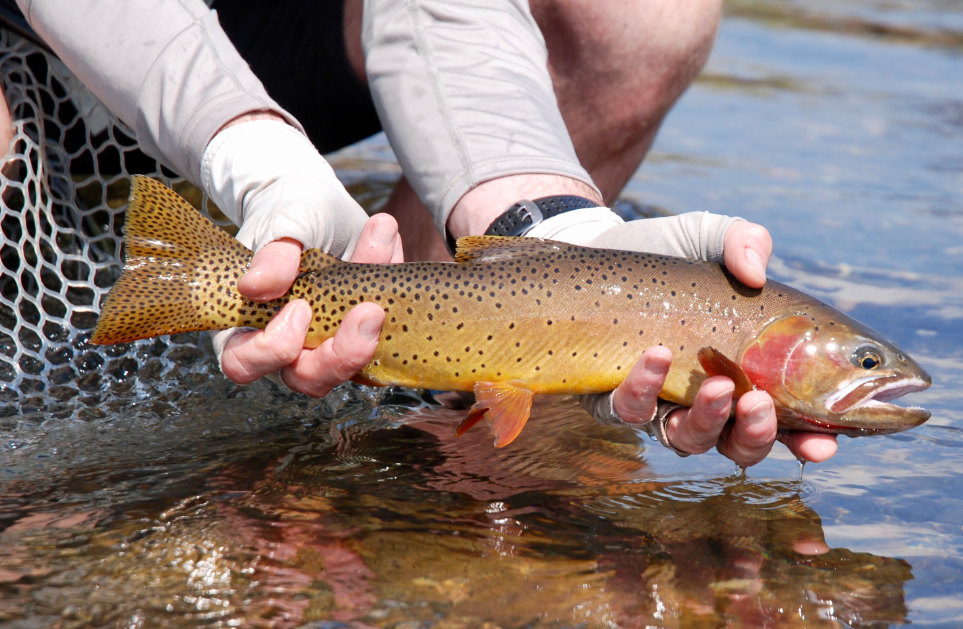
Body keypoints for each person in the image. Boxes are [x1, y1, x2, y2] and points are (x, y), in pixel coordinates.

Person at [12, 0, 839, 467]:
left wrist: (540, 216)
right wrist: (257, 154)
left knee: (643, 15)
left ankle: (403, 396)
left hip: (279, 27)